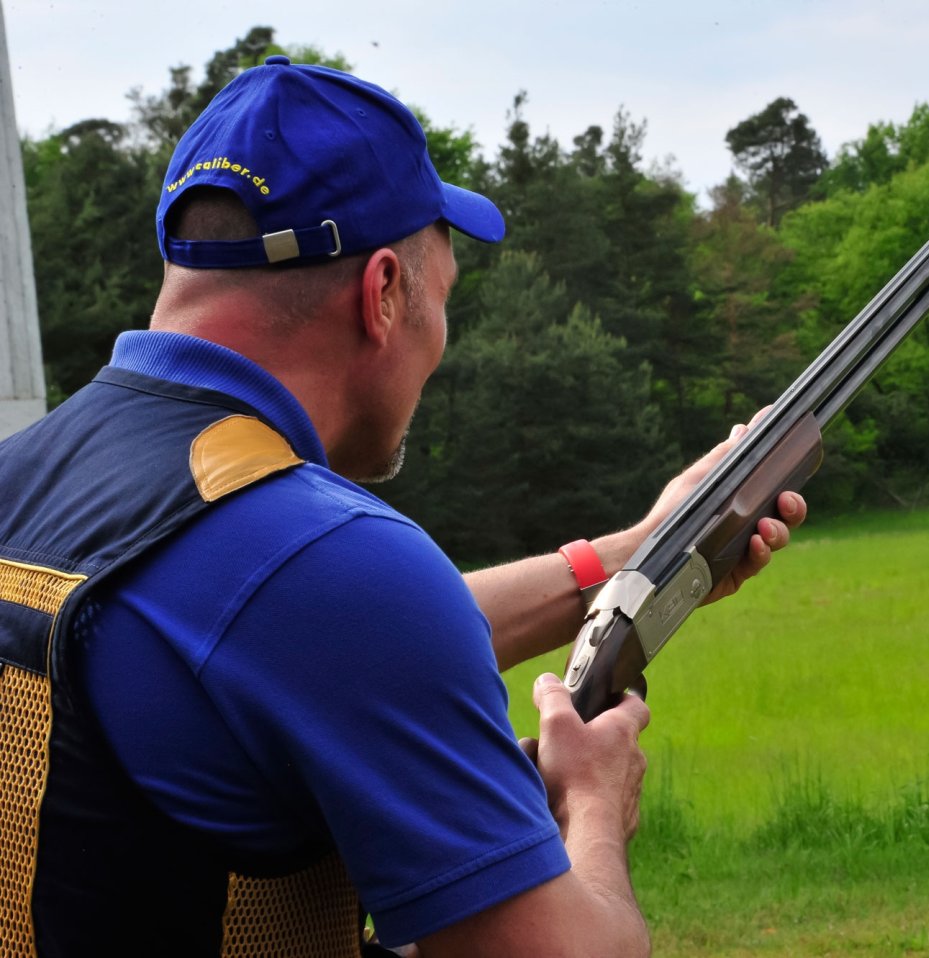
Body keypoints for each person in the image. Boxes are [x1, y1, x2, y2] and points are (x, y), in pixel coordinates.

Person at [0, 57, 805, 956]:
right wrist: (593, 807)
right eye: (444, 297)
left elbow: (264, 632)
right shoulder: (323, 561)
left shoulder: (30, 476)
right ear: (383, 292)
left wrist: (629, 556)